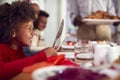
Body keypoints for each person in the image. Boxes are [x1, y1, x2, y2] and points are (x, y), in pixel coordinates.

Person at [0, 1, 57, 80]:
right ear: (13, 32)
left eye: (32, 28)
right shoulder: (1, 48)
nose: (32, 33)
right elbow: (2, 71)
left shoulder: (19, 48)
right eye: (29, 28)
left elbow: (21, 68)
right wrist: (41, 56)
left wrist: (45, 53)